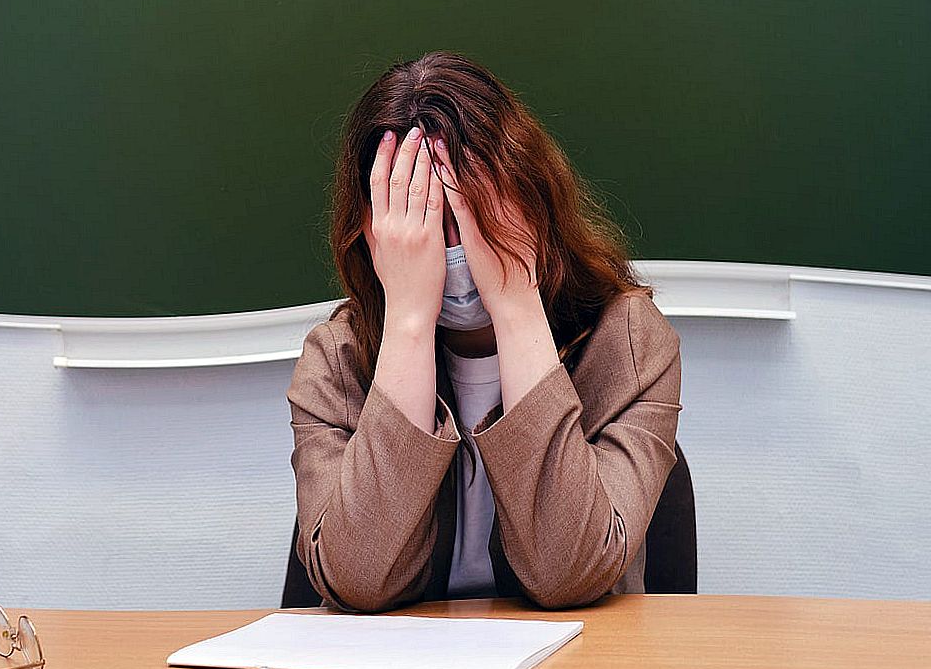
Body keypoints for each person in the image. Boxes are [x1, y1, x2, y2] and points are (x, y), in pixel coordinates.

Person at [286, 51, 683, 613]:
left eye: (471, 211)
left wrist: (516, 300)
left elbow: (566, 574)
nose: (452, 248)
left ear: (530, 197)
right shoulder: (336, 360)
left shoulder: (630, 344)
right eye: (419, 219)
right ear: (372, 233)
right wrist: (408, 321)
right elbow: (358, 580)